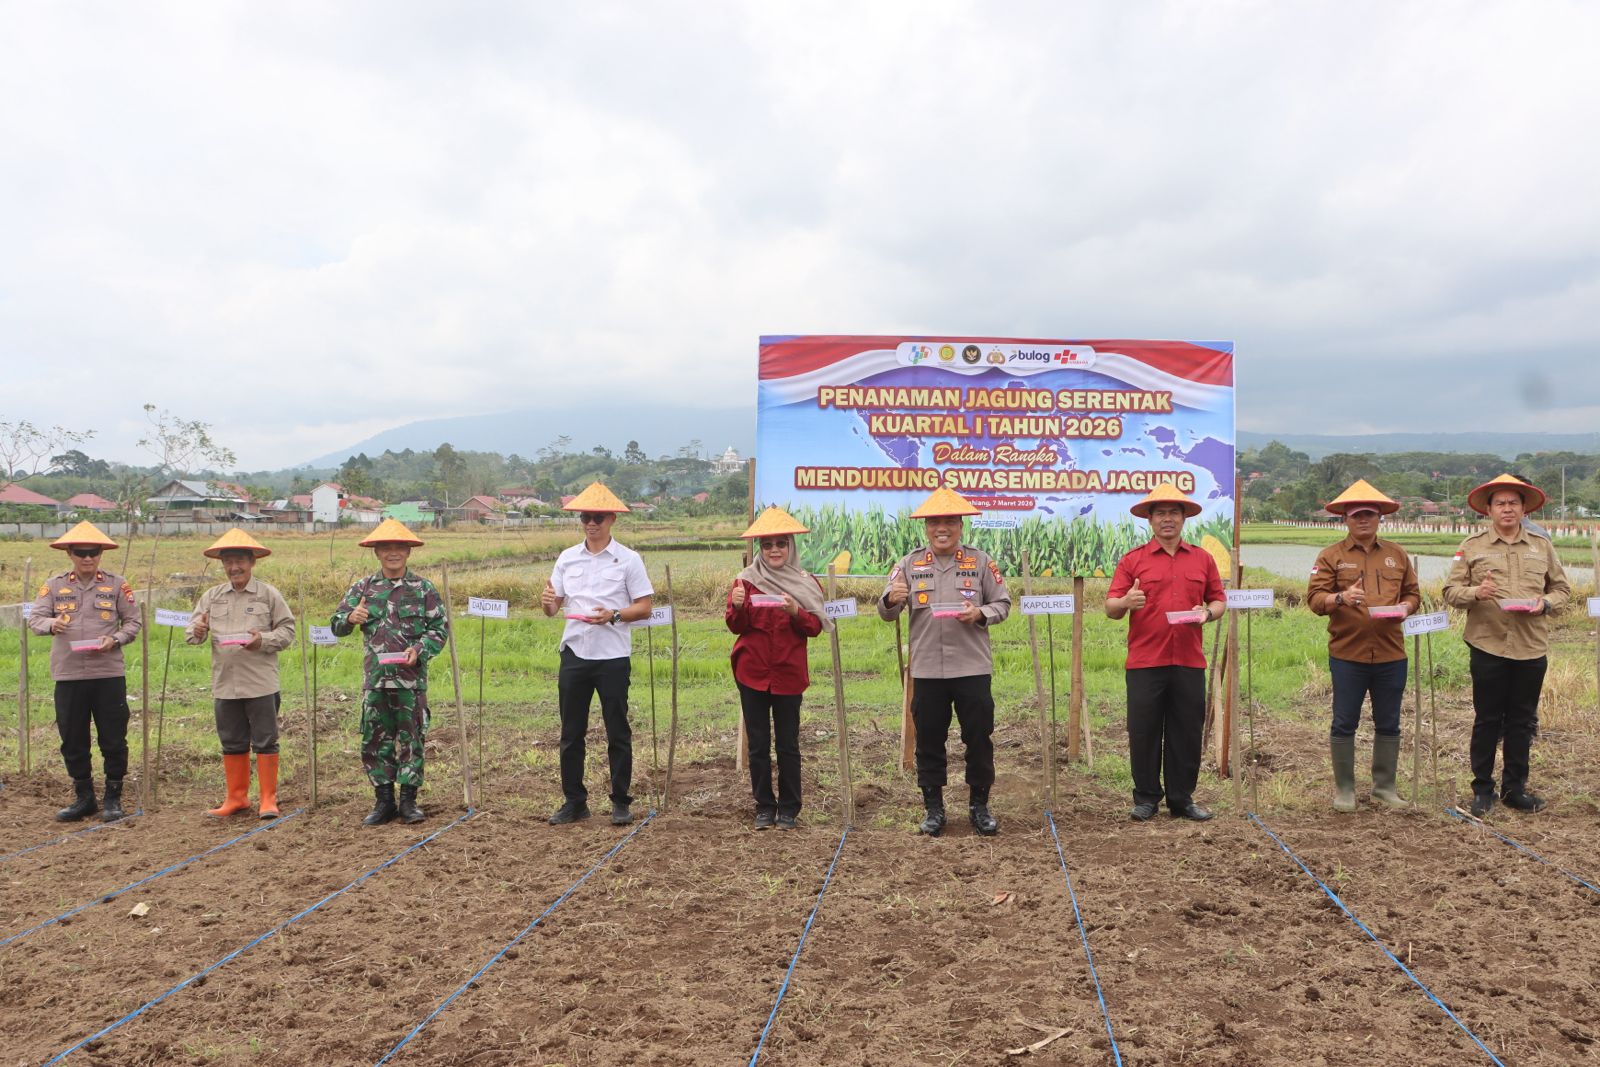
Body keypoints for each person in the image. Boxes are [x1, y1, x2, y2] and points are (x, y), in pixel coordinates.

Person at [877, 487, 1010, 837]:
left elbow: (1003, 604)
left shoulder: (981, 562)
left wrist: (980, 612)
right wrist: (891, 598)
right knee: (929, 742)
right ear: (926, 527)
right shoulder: (908, 564)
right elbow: (886, 612)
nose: (942, 528)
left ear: (960, 525)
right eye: (935, 521)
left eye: (950, 521)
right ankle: (934, 810)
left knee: (979, 739)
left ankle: (979, 806)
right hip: (927, 670)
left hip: (972, 668)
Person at [1442, 474, 1570, 817]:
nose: (1507, 508)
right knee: (1486, 719)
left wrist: (1544, 604)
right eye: (1500, 503)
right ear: (1489, 509)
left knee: (1521, 720)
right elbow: (1450, 593)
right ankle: (1482, 790)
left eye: (1514, 502)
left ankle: (1515, 789)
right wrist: (1476, 593)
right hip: (1488, 645)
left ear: (1524, 508)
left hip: (1531, 646)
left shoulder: (1541, 545)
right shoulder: (1471, 547)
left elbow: (1562, 589)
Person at [1104, 484, 1226, 822]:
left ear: (1184, 518)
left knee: (1186, 731)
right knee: (1144, 730)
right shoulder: (1133, 561)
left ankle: (1182, 798)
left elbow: (1218, 600)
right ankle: (1145, 798)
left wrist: (1207, 614)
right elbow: (1111, 606)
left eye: (1174, 512)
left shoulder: (1202, 559)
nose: (1167, 519)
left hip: (1189, 660)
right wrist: (1126, 602)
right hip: (1145, 661)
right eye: (1161, 513)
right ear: (1150, 520)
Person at [540, 482, 654, 826]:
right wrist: (547, 604)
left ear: (612, 519)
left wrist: (614, 615)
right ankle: (574, 801)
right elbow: (553, 606)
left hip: (612, 656)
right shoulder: (567, 558)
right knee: (571, 732)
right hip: (574, 651)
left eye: (598, 517)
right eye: (586, 517)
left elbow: (645, 607)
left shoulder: (628, 559)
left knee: (617, 729)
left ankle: (621, 801)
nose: (592, 523)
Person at [1306, 480, 1420, 812]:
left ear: (1380, 517)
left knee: (1389, 721)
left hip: (1391, 653)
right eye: (1357, 515)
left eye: (1369, 514)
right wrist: (1341, 597)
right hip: (1348, 654)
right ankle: (1345, 790)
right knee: (1344, 721)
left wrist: (1406, 608)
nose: (1364, 520)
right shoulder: (1330, 556)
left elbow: (1414, 594)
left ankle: (1385, 787)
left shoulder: (1397, 554)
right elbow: (1314, 599)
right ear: (1346, 519)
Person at [330, 518, 448, 826]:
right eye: (386, 548)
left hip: (410, 681)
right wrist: (350, 618)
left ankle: (409, 801)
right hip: (376, 681)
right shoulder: (363, 588)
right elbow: (336, 623)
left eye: (399, 547)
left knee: (412, 738)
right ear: (376, 552)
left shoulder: (423, 589)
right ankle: (383, 800)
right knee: (374, 739)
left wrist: (419, 650)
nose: (392, 553)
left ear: (408, 551)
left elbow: (439, 629)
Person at [28, 521, 142, 822]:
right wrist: (52, 625)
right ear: (70, 553)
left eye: (93, 552)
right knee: (73, 738)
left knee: (114, 738)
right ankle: (84, 798)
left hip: (108, 673)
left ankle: (113, 798)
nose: (88, 558)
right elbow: (35, 618)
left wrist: (115, 639)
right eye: (81, 552)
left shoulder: (117, 585)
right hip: (69, 675)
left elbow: (133, 622)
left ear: (101, 553)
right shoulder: (53, 586)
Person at [726, 506, 827, 829]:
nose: (774, 551)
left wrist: (797, 611)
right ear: (760, 549)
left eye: (780, 544)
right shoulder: (746, 582)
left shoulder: (805, 583)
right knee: (758, 744)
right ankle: (764, 806)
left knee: (788, 744)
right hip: (752, 672)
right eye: (767, 545)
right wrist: (739, 606)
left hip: (788, 673)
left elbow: (814, 627)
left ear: (790, 547)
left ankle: (789, 808)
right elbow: (735, 625)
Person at [186, 529, 295, 819]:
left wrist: (263, 640)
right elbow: (193, 631)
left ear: (252, 562)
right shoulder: (212, 597)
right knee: (231, 741)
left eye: (240, 561)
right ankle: (236, 798)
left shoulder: (269, 594)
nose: (234, 567)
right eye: (228, 562)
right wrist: (197, 631)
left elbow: (287, 631)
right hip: (225, 683)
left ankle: (268, 799)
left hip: (260, 682)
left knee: (265, 740)